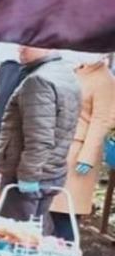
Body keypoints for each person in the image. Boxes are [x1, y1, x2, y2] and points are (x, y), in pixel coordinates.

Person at [0, 47, 82, 233]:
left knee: (13, 240)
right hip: (50, 173)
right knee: (35, 234)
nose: (20, 48)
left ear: (48, 45)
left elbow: (39, 139)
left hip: (28, 178)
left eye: (29, 43)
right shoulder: (65, 73)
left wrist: (27, 178)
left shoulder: (39, 80)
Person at [49, 54, 115, 241]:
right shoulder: (76, 70)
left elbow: (101, 120)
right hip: (58, 144)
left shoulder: (105, 80)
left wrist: (87, 156)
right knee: (49, 209)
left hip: (78, 149)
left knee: (67, 212)